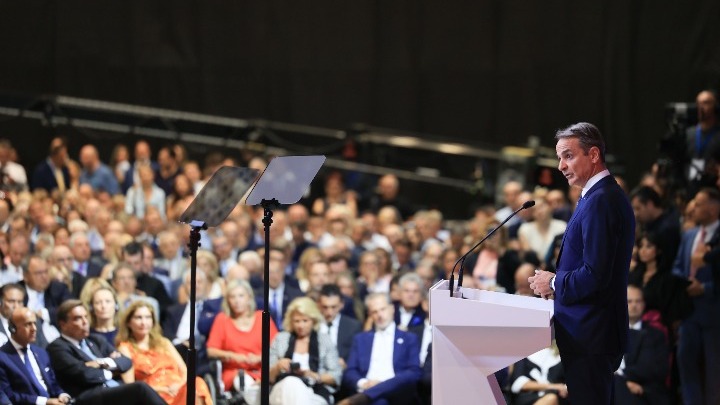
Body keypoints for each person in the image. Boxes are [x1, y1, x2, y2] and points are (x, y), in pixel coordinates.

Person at [529, 122, 635, 404]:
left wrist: (553, 281)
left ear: (594, 154)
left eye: (568, 156)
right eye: (559, 158)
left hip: (591, 334)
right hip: (590, 332)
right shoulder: (597, 196)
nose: (561, 166)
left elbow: (596, 274)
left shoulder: (602, 200)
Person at [47, 300, 166, 405]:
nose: (85, 322)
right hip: (89, 397)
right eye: (78, 318)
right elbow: (83, 374)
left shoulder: (95, 340)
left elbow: (126, 362)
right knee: (140, 388)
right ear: (63, 324)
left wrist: (101, 363)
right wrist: (111, 371)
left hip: (113, 390)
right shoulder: (57, 347)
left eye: (86, 317)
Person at [670, 187, 720, 405]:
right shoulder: (689, 235)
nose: (693, 208)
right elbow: (677, 266)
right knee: (685, 363)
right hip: (688, 312)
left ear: (713, 208)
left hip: (714, 313)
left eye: (699, 204)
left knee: (714, 371)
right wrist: (685, 283)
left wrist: (705, 288)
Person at [116, 300, 213, 405]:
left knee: (197, 383)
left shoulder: (164, 343)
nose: (144, 322)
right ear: (129, 322)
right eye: (138, 318)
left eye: (148, 317)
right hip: (153, 396)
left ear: (153, 321)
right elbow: (131, 386)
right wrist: (162, 389)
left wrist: (178, 385)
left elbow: (185, 371)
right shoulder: (125, 348)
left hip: (178, 389)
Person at [340, 293, 422, 405]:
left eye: (383, 309)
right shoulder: (360, 339)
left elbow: (414, 372)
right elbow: (350, 371)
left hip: (396, 392)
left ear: (392, 309)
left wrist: (384, 385)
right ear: (370, 314)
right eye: (374, 312)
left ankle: (362, 398)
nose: (379, 315)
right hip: (366, 387)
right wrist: (363, 383)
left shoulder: (409, 338)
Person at [207, 279, 278, 393]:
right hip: (235, 372)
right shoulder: (222, 319)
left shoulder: (262, 317)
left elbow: (278, 348)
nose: (237, 301)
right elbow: (211, 351)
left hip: (264, 371)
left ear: (249, 298)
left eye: (241, 296)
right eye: (232, 297)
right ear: (228, 300)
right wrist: (232, 356)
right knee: (246, 384)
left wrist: (259, 358)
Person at [269, 297, 342, 405]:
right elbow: (268, 377)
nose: (301, 326)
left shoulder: (324, 340)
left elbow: (336, 376)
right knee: (292, 382)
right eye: (297, 321)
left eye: (305, 321)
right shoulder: (281, 338)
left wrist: (312, 375)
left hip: (314, 391)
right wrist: (278, 366)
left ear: (313, 320)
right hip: (282, 389)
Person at [0, 307, 71, 404]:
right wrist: (45, 402)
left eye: (34, 323)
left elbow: (53, 384)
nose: (34, 328)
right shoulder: (2, 357)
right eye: (28, 324)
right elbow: (9, 395)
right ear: (12, 328)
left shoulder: (41, 353)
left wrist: (62, 395)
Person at [613, 285, 669, 405]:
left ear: (644, 304)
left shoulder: (656, 335)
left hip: (645, 391)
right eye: (629, 301)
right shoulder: (608, 333)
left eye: (638, 301)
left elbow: (654, 369)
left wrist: (622, 377)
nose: (634, 305)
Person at [508, 340, 568, 405]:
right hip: (528, 398)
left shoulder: (561, 359)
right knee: (551, 398)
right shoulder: (524, 356)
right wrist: (555, 386)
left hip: (557, 398)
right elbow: (518, 384)